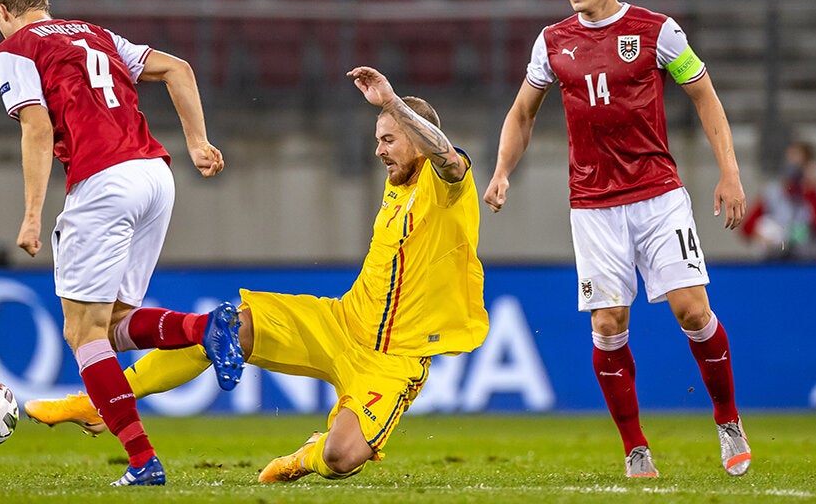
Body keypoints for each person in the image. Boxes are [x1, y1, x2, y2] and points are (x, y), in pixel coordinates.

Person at [24, 66, 489, 483]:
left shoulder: (448, 186)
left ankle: (307, 456)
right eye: (378, 138)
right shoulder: (395, 188)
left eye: (388, 139)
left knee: (342, 456)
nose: (378, 150)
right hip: (342, 322)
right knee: (227, 327)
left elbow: (446, 155)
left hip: (394, 358)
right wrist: (390, 118)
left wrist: (391, 103)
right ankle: (103, 403)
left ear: (415, 136)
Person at [483, 0, 751, 478]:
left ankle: (728, 422)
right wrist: (502, 172)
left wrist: (730, 172)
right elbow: (522, 113)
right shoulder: (552, 42)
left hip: (657, 195)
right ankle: (636, 448)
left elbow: (705, 95)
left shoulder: (657, 32)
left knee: (692, 310)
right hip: (593, 204)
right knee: (607, 324)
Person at [0, 0, 244, 487]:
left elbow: (36, 129)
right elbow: (178, 69)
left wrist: (33, 215)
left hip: (104, 182)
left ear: (1, 11)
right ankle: (204, 328)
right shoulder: (96, 34)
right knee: (112, 323)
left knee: (82, 333)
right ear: (44, 0)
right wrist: (197, 141)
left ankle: (143, 462)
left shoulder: (15, 50)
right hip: (156, 174)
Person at [741, 140, 816, 260]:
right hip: (775, 262)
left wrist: (811, 188)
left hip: (808, 263)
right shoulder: (772, 193)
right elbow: (747, 227)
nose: (792, 168)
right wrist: (764, 238)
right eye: (789, 162)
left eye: (797, 164)